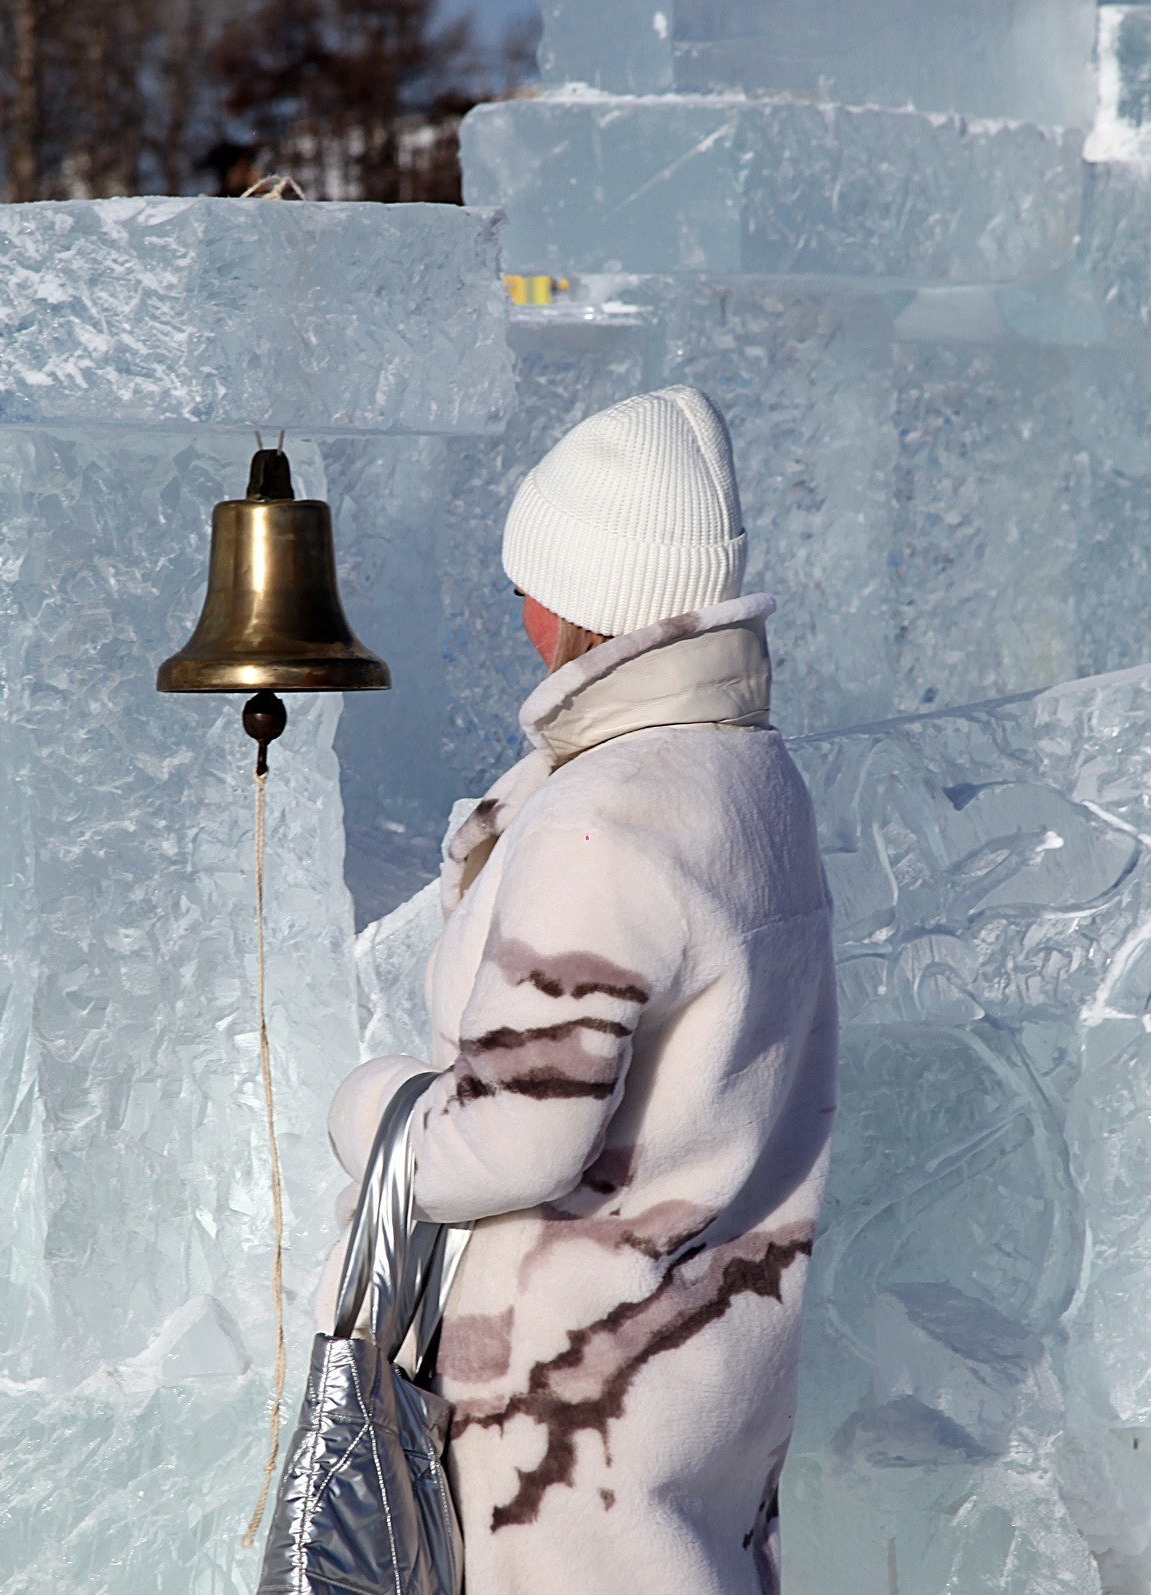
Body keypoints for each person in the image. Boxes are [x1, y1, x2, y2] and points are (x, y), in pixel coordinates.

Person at [326, 385, 838, 1595]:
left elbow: (522, 1134)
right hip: (708, 1353)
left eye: (526, 574)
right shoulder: (752, 777)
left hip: (571, 1401)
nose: (516, 604)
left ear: (577, 594)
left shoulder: (606, 819)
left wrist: (377, 1109)